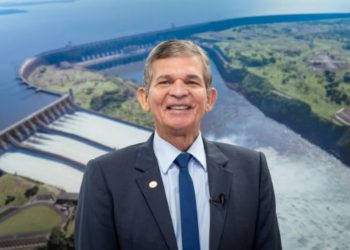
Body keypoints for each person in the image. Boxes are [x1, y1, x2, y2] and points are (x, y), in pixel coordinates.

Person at [75, 40, 282, 250]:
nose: (179, 91)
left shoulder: (252, 169)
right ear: (144, 98)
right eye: (165, 82)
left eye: (192, 82)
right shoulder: (104, 176)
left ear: (210, 98)